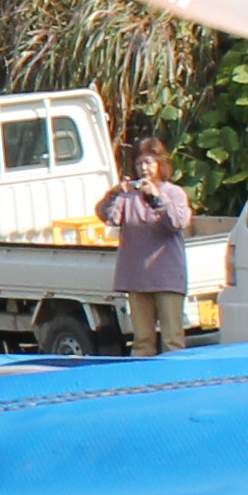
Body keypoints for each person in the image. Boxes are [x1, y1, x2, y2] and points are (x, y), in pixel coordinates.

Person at [96, 135, 194, 356]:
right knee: (143, 341)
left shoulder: (174, 193)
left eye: (149, 162)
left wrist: (156, 198)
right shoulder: (129, 196)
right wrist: (114, 194)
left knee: (172, 339)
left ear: (160, 164)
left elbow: (177, 223)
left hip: (167, 277)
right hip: (137, 278)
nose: (144, 168)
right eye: (140, 163)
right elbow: (108, 216)